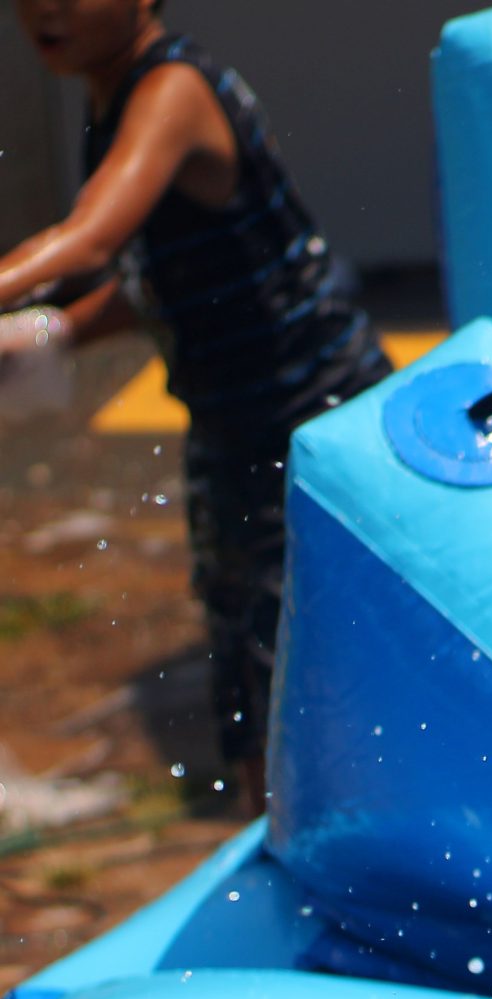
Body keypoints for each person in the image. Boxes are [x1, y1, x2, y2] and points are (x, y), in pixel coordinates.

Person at [0, 0, 392, 805]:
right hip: (235, 426)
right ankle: (272, 854)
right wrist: (60, 334)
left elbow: (92, 239)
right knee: (244, 668)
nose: (43, 9)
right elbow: (162, 273)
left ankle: (326, 868)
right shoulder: (108, 93)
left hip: (315, 419)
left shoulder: (171, 87)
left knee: (303, 667)